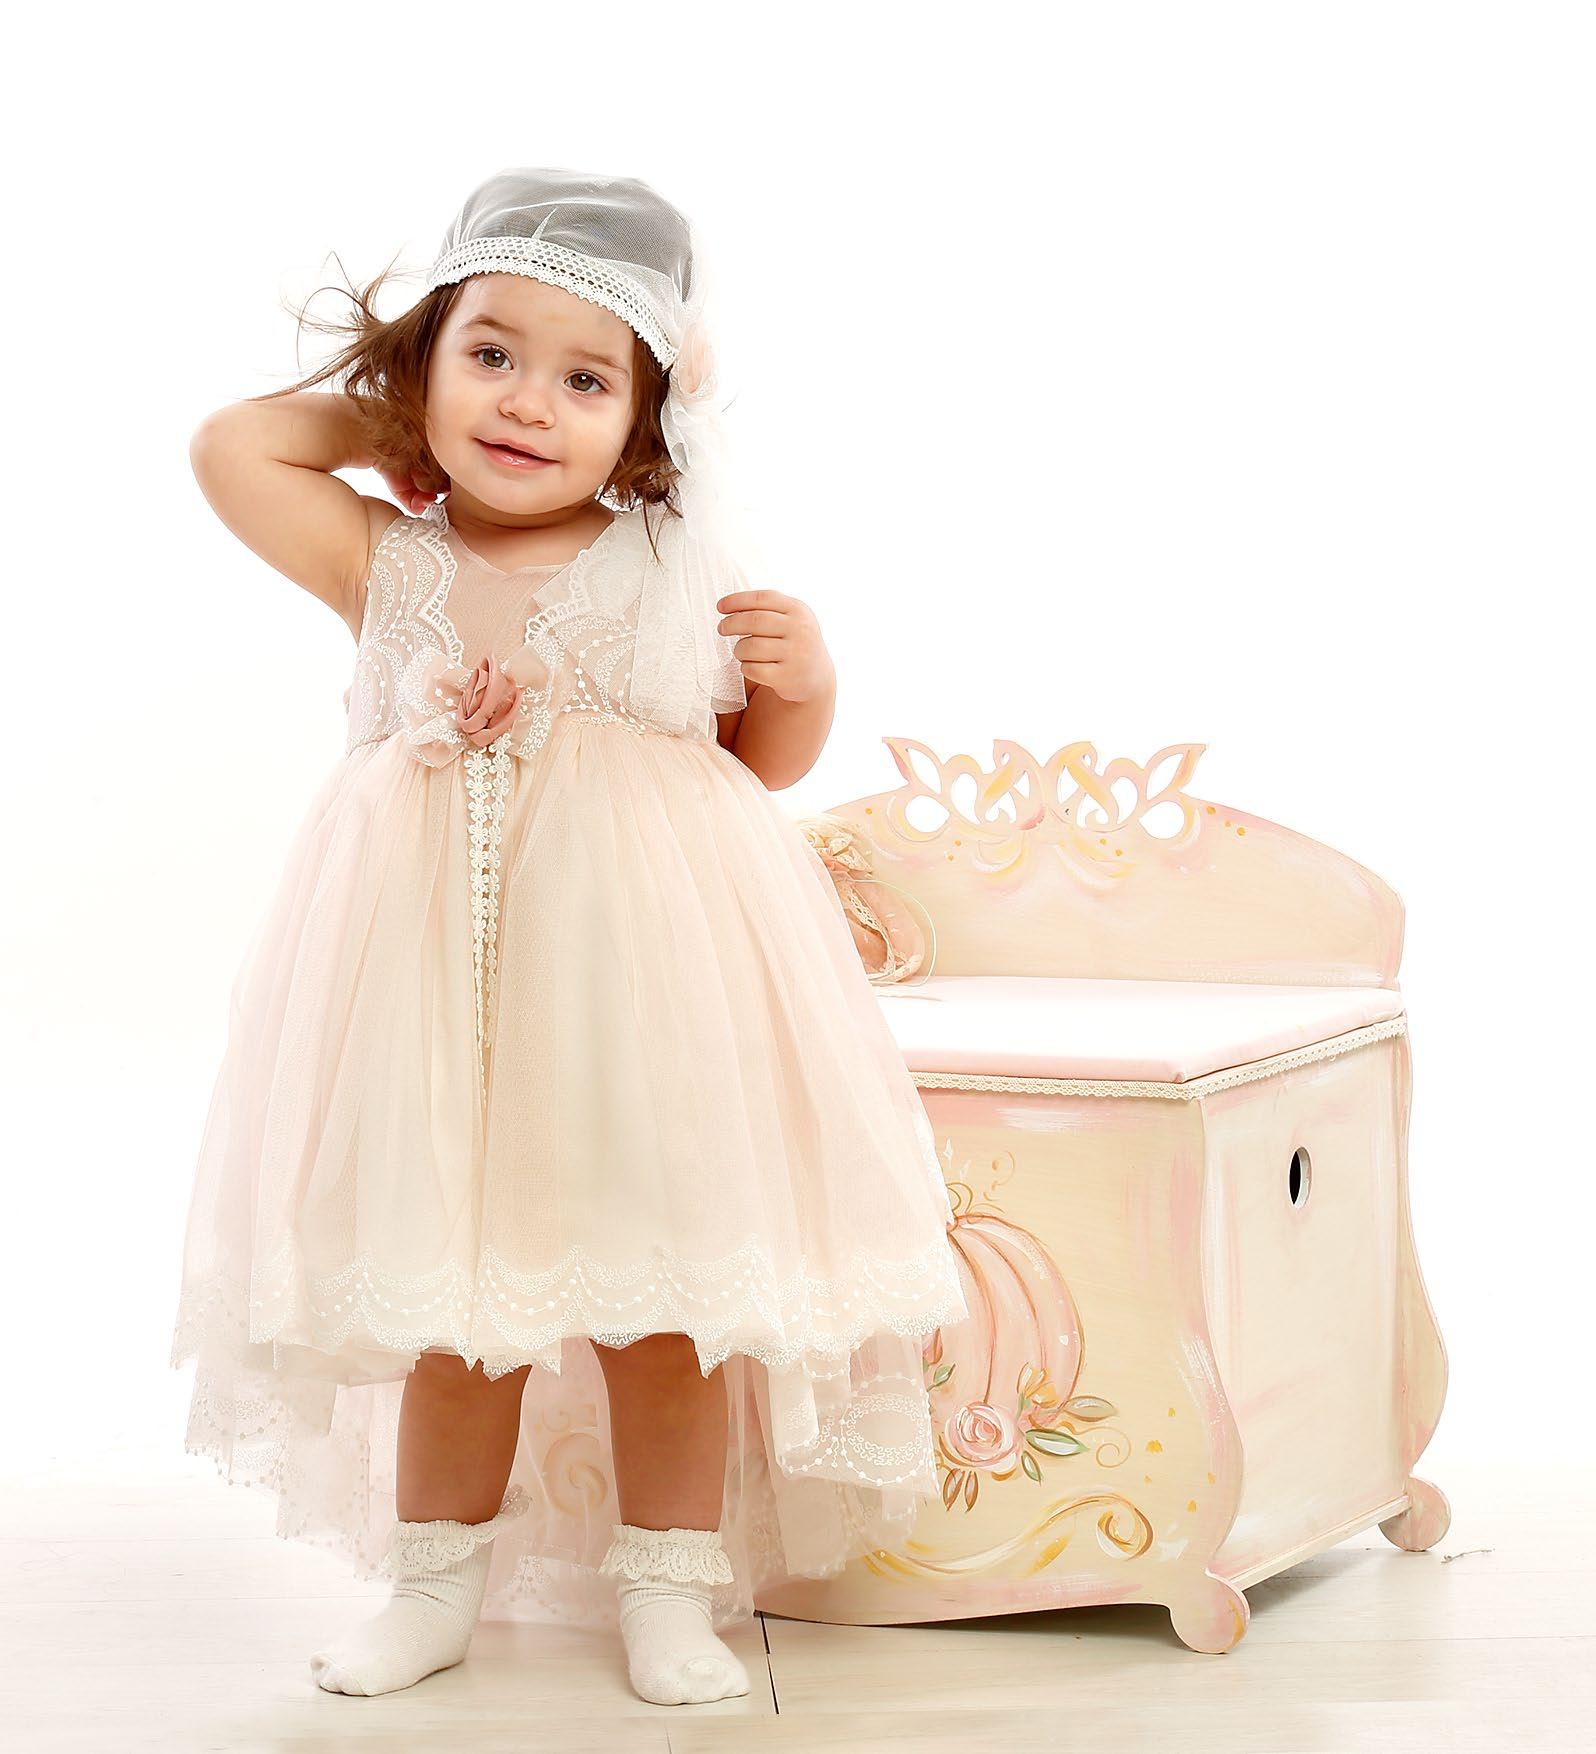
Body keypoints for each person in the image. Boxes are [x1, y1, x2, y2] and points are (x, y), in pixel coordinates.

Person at [169, 166, 969, 1710]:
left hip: (634, 1000)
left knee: (663, 1308)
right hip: (436, 1005)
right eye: (491, 356)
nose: (530, 403)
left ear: (655, 422)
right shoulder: (387, 559)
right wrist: (404, 407)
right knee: (455, 1320)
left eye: (588, 380)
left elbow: (755, 760)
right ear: (425, 366)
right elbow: (233, 444)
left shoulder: (669, 562)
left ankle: (669, 1592)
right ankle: (430, 1590)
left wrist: (803, 682)